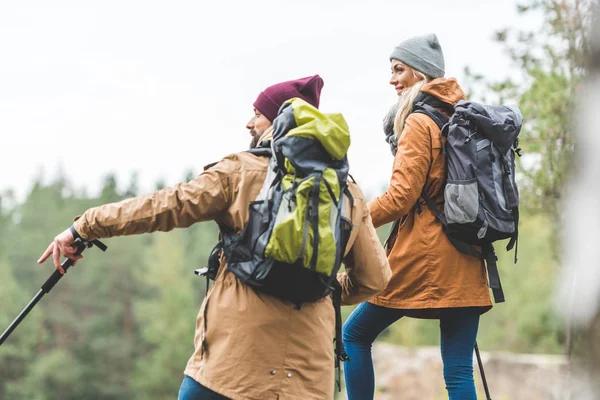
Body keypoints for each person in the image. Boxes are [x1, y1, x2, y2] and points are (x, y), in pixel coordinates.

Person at [38, 75, 392, 400]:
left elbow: (164, 206)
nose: (249, 122)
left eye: (257, 113)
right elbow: (375, 278)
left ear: (277, 121)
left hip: (229, 367)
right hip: (306, 379)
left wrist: (85, 225)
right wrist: (317, 285)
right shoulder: (348, 192)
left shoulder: (240, 171)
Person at [342, 34, 493, 400]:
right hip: (470, 254)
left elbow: (399, 197)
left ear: (420, 73)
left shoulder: (419, 122)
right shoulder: (459, 117)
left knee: (354, 336)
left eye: (399, 70)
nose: (392, 79)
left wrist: (351, 223)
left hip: (425, 256)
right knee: (458, 370)